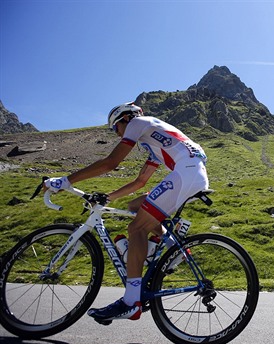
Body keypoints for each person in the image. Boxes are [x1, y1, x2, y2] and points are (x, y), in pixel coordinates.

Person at [44, 102, 209, 323]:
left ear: (123, 119)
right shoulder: (155, 140)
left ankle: (131, 302)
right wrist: (108, 197)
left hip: (186, 173)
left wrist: (66, 181)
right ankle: (172, 245)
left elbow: (111, 162)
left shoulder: (138, 123)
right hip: (191, 173)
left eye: (115, 129)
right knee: (134, 207)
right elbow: (140, 181)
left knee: (136, 228)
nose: (117, 134)